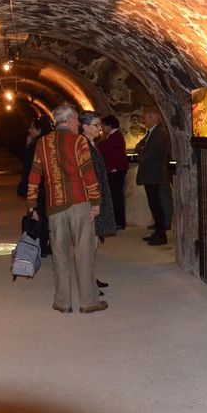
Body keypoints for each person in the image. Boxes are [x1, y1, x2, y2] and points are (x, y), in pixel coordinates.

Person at [27, 104, 107, 314]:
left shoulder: (42, 143)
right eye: (76, 121)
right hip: (80, 202)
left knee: (59, 254)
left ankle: (63, 302)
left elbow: (34, 174)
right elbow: (88, 173)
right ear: (71, 120)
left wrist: (32, 204)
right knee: (84, 252)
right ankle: (88, 301)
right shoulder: (78, 141)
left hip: (54, 206)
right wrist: (96, 202)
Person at [79, 110, 115, 291]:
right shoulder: (82, 145)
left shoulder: (91, 143)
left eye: (100, 124)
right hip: (89, 201)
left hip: (97, 197)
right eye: (96, 125)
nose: (100, 128)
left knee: (93, 243)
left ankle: (91, 276)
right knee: (88, 244)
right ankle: (88, 283)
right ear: (85, 127)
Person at [135, 106, 173, 246]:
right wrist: (142, 151)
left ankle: (161, 235)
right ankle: (158, 231)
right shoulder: (151, 132)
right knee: (154, 204)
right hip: (150, 174)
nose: (143, 120)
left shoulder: (160, 133)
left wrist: (141, 154)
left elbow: (148, 154)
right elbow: (139, 147)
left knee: (157, 204)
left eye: (145, 118)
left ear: (153, 118)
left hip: (154, 174)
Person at [19, 115, 54, 257]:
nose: (29, 130)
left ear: (38, 130)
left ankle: (40, 246)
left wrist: (25, 187)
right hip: (50, 186)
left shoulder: (36, 146)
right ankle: (51, 245)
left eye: (32, 128)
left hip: (38, 186)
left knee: (38, 216)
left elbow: (29, 169)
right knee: (49, 216)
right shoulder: (50, 143)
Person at [97, 114, 129, 230]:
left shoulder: (115, 137)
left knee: (116, 197)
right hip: (115, 170)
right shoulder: (113, 136)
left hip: (116, 171)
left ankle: (119, 222)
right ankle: (117, 221)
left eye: (103, 126)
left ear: (109, 126)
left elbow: (102, 148)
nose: (102, 128)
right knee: (115, 196)